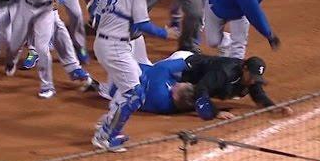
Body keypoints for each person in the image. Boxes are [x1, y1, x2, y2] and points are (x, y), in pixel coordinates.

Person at [89, 0, 178, 152]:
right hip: (116, 46)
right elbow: (143, 24)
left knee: (133, 82)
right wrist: (166, 34)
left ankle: (107, 122)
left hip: (104, 43)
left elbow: (92, 12)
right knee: (135, 93)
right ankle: (105, 136)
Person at [103, 51, 292, 118]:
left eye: (255, 79)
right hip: (184, 66)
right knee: (155, 80)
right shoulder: (224, 72)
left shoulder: (249, 79)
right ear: (244, 68)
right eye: (251, 76)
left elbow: (258, 95)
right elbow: (202, 89)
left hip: (194, 74)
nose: (253, 81)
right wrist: (215, 112)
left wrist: (274, 108)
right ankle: (113, 84)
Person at [3, 0, 70, 99]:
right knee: (14, 43)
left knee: (42, 48)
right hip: (25, 6)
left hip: (45, 10)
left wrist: (59, 0)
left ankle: (47, 86)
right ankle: (11, 60)